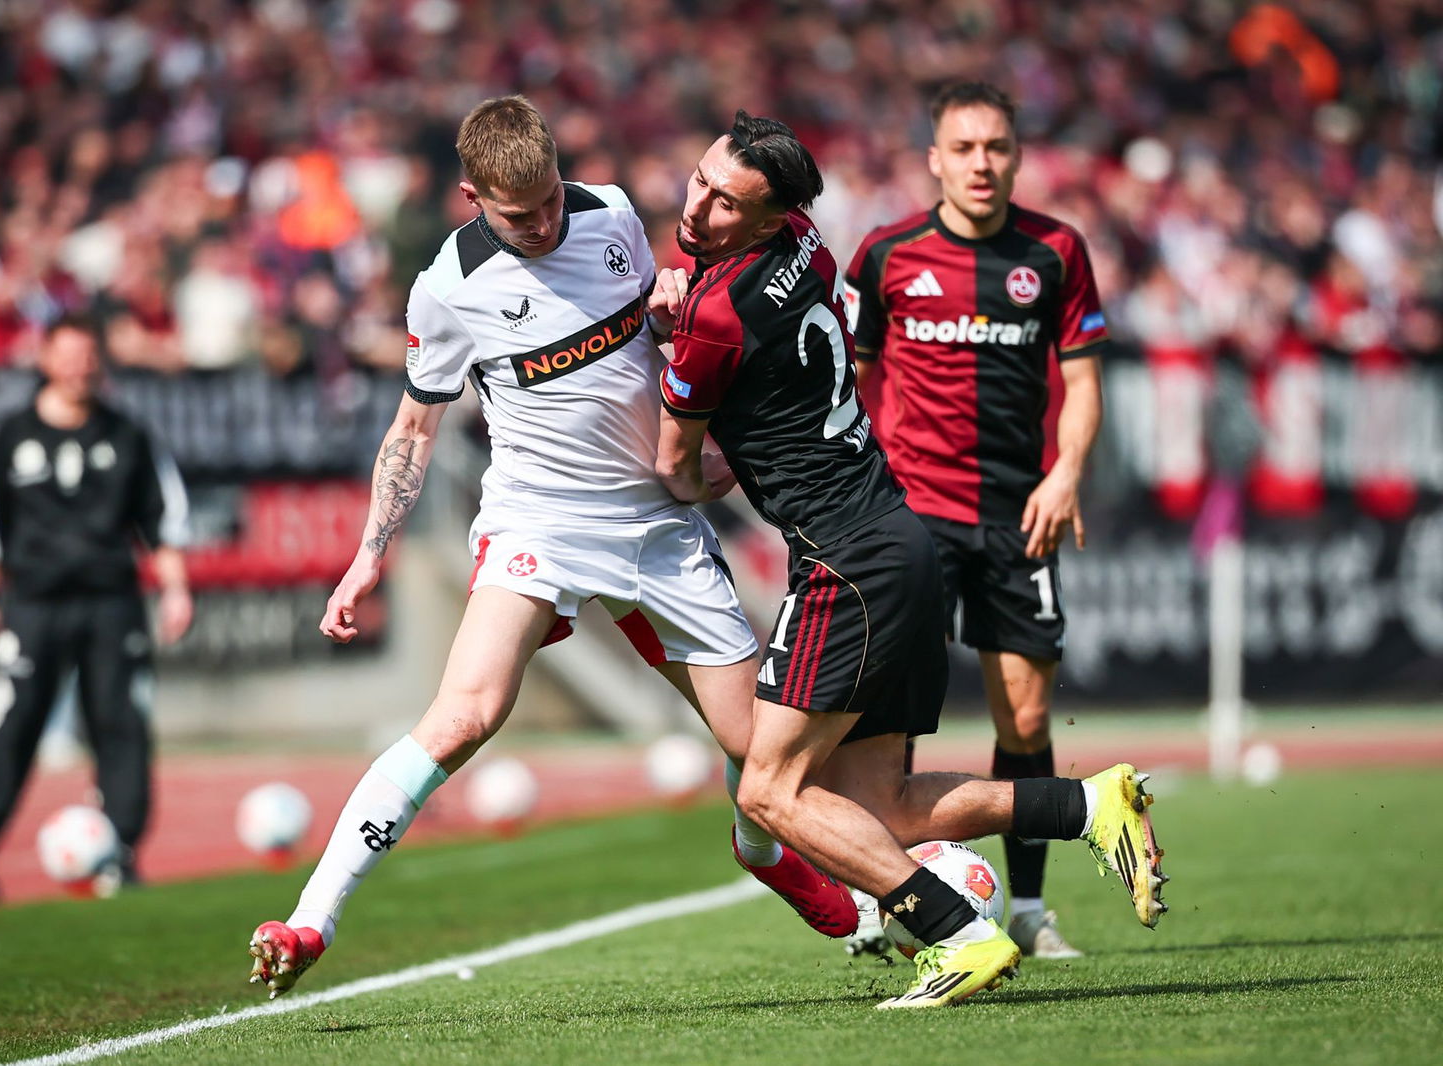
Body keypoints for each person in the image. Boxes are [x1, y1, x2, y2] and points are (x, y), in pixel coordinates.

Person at [246, 96, 857, 1000]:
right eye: (515, 212)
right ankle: (310, 920)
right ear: (470, 195)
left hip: (655, 522)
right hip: (541, 522)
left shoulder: (609, 212)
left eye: (548, 204)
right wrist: (370, 552)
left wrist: (661, 312)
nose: (540, 224)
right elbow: (415, 431)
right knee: (464, 716)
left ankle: (759, 850)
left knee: (760, 756)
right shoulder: (447, 287)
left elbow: (654, 350)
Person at [652, 111, 1165, 1008]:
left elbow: (674, 467)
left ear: (771, 218)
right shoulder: (811, 242)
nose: (700, 207)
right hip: (902, 539)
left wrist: (678, 366)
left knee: (772, 792)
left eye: (726, 201)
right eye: (700, 181)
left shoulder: (714, 316)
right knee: (880, 803)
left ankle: (954, 933)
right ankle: (1089, 806)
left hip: (845, 563)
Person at [844, 81, 1107, 958]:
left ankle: (1027, 911)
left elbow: (1083, 382)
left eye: (995, 146)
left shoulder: (1057, 251)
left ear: (1018, 155)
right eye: (964, 148)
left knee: (1025, 720)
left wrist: (1066, 471)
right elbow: (851, 380)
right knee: (895, 721)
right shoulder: (885, 256)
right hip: (911, 515)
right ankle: (897, 900)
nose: (981, 163)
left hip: (1015, 514)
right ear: (935, 159)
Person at [0, 313, 193, 905]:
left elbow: (164, 521)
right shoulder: (12, 435)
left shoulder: (128, 434)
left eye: (88, 357)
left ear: (98, 363)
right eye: (67, 356)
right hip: (33, 603)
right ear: (47, 361)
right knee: (13, 723)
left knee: (120, 721)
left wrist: (176, 589)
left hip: (112, 602)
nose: (78, 367)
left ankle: (123, 852)